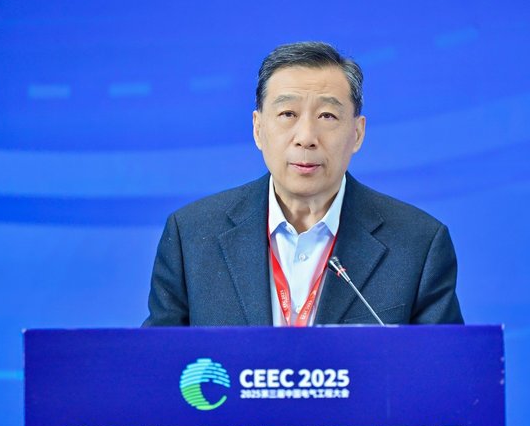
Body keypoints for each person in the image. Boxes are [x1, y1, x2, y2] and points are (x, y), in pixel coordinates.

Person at [143, 41, 463, 327]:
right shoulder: (192, 236)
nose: (306, 137)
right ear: (258, 129)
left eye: (327, 116)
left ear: (357, 133)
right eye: (287, 114)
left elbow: (442, 369)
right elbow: (156, 364)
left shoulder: (418, 244)